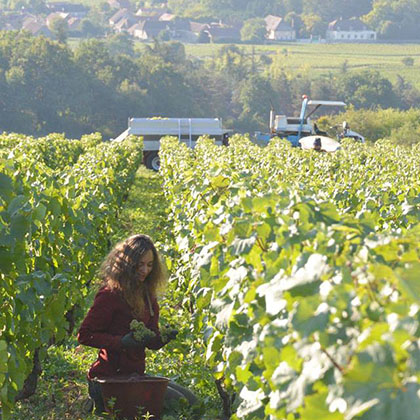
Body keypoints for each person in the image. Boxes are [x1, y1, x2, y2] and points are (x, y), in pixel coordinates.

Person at [77, 234, 197, 415]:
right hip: (108, 379)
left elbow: (151, 341)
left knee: (192, 401)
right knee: (178, 405)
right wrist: (121, 342)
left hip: (134, 376)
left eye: (149, 265)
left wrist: (162, 338)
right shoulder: (110, 294)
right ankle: (98, 402)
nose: (145, 270)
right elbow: (84, 334)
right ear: (127, 263)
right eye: (140, 264)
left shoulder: (148, 296)